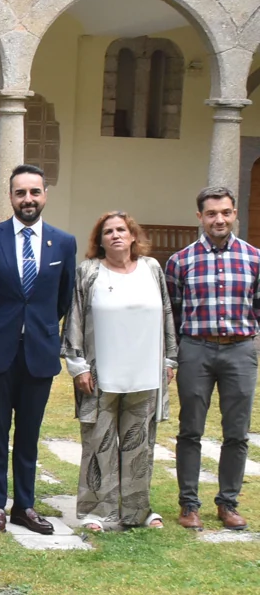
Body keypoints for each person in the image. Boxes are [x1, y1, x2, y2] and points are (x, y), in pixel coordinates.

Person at [0, 164, 77, 535]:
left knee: (29, 433)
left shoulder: (63, 243)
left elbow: (62, 299)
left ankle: (25, 506)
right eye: (20, 193)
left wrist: (38, 328)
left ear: (45, 195)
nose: (28, 199)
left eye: (34, 192)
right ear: (10, 196)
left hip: (39, 351)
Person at [61, 211, 176, 531]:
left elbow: (167, 314)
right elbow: (75, 320)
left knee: (140, 446)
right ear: (99, 240)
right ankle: (98, 512)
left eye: (121, 230)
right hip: (100, 376)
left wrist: (169, 360)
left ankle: (137, 511)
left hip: (144, 374)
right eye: (108, 231)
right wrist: (78, 366)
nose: (115, 235)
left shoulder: (151, 269)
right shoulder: (89, 272)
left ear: (133, 236)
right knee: (99, 444)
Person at [165, 186, 258, 532]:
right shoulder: (180, 261)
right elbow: (172, 314)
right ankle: (189, 504)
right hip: (196, 350)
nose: (219, 219)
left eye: (226, 212)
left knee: (237, 432)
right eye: (211, 213)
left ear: (235, 214)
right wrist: (173, 357)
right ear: (200, 217)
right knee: (190, 430)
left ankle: (228, 503)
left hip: (240, 350)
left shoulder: (254, 258)